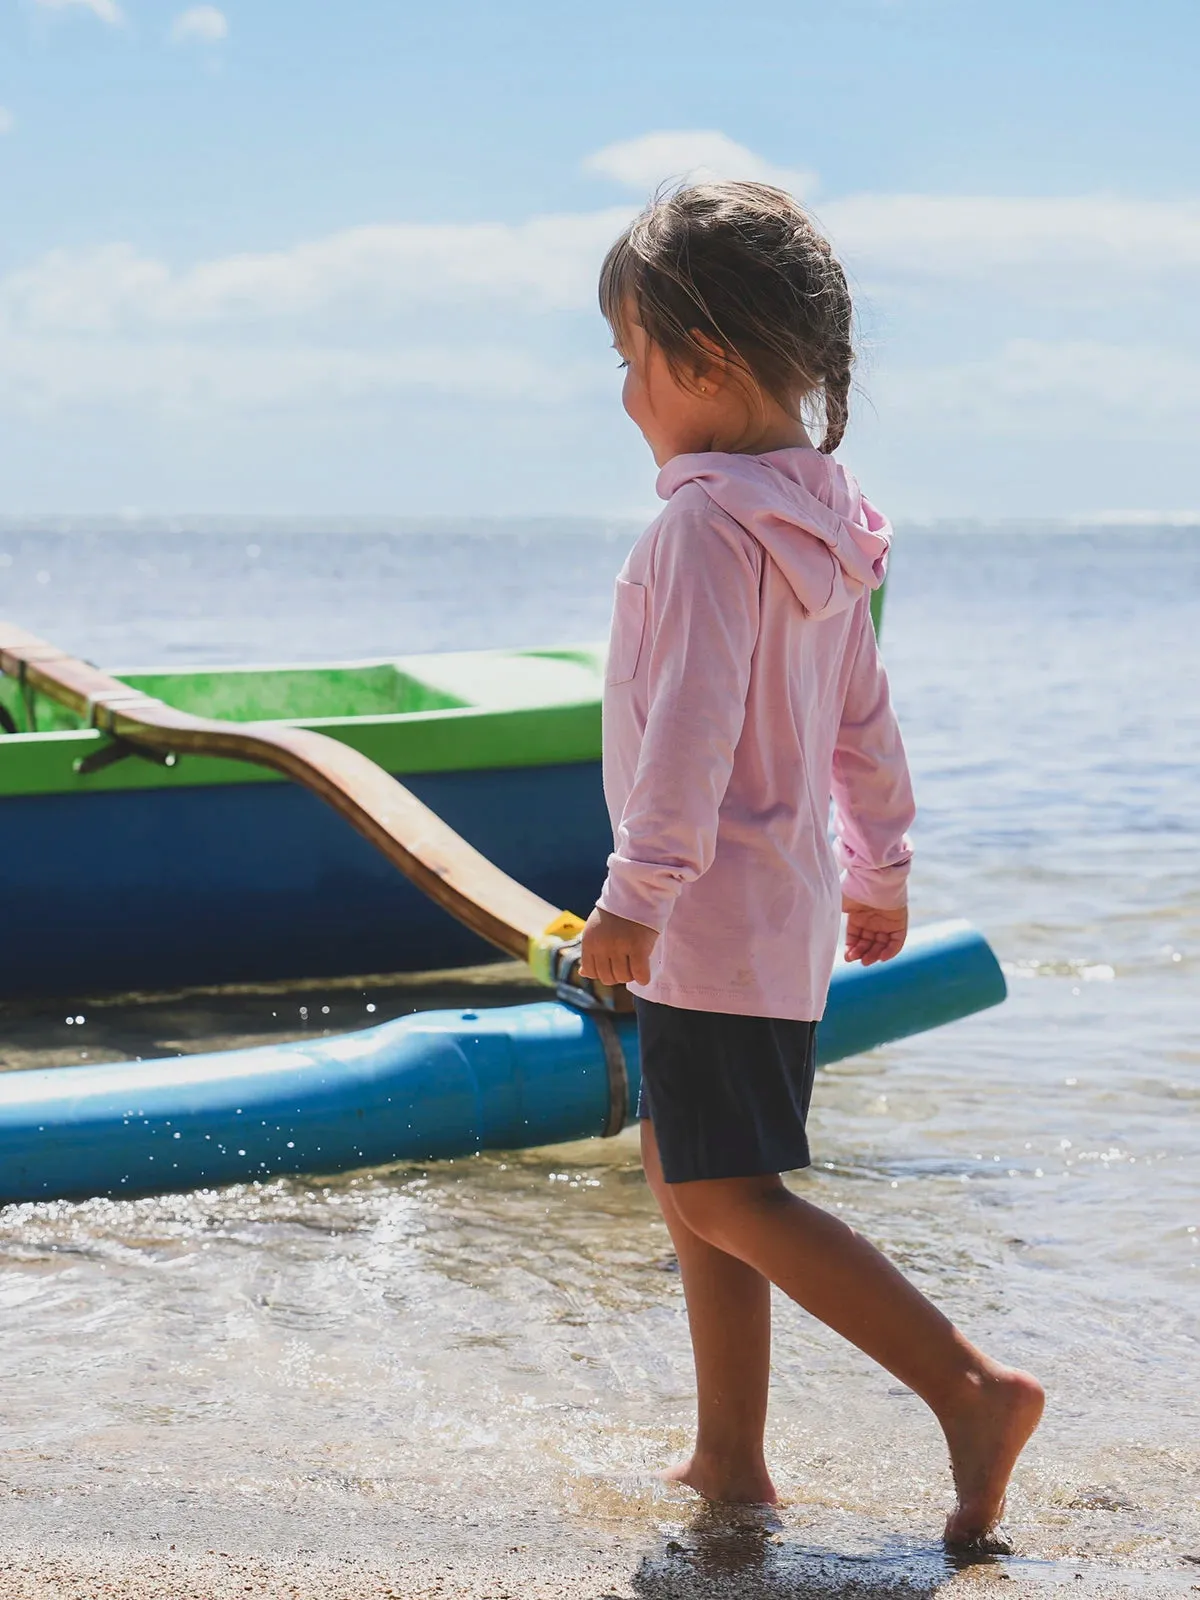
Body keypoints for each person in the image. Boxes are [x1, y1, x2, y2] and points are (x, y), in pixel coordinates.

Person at [577, 181, 1044, 1549]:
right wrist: (882, 862)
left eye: (630, 360)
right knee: (693, 1176)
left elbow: (690, 736)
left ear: (704, 362)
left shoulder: (706, 529)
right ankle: (730, 1458)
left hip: (707, 916)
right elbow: (865, 715)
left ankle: (970, 1389)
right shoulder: (827, 523)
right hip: (779, 914)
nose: (623, 395)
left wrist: (633, 899)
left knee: (727, 1189)